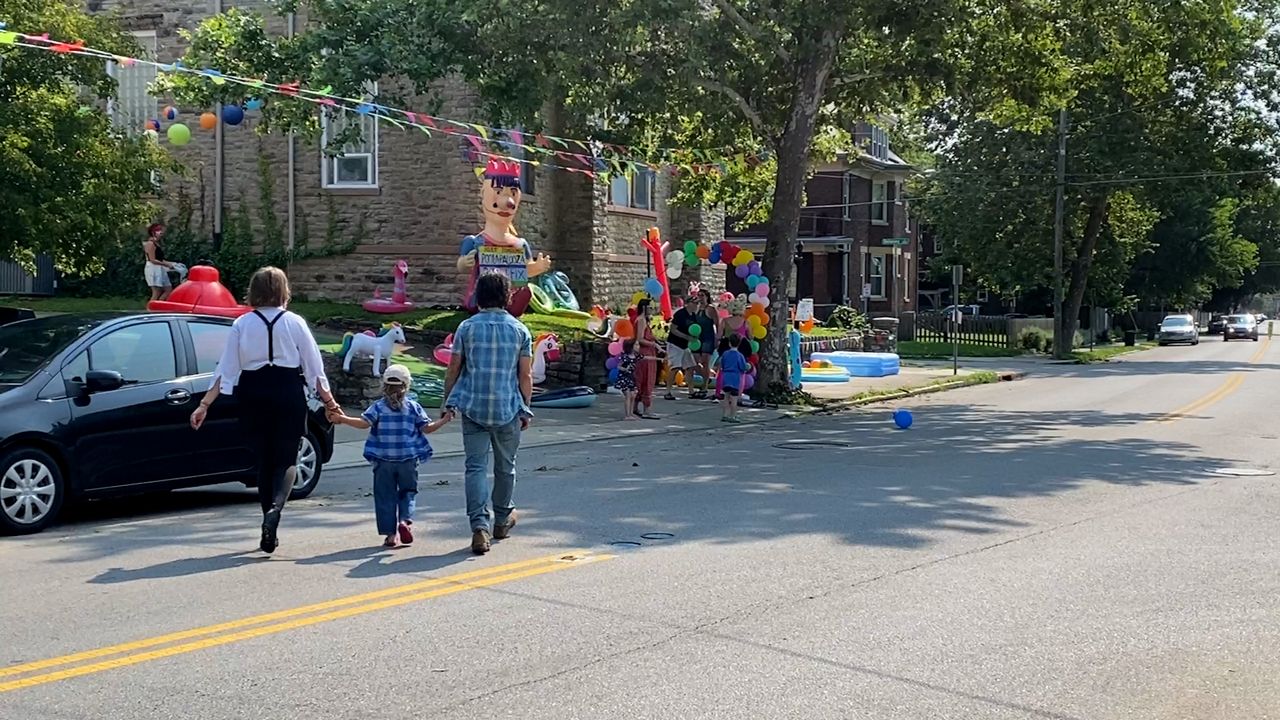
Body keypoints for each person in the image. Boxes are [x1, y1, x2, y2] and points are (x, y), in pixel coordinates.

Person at [190, 266, 340, 554]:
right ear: (283, 291)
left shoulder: (242, 325)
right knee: (286, 459)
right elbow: (314, 369)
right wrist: (330, 403)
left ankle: (265, 519)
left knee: (264, 462)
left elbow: (226, 369)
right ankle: (275, 510)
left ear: (254, 291)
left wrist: (204, 404)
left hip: (252, 393)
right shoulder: (294, 322)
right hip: (286, 391)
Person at [442, 272, 534, 555]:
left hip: (473, 407)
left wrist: (448, 401)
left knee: (475, 467)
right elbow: (525, 375)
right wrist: (526, 407)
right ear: (507, 296)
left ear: (478, 295)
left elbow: (454, 367)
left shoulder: (466, 328)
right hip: (507, 408)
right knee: (506, 466)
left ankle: (479, 526)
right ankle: (503, 518)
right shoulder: (520, 331)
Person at [329, 364, 451, 547]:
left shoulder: (378, 407)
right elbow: (427, 428)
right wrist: (444, 419)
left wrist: (342, 419)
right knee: (408, 492)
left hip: (383, 460)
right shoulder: (413, 407)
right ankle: (404, 521)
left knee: (385, 496)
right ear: (407, 385)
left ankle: (390, 535)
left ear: (384, 386)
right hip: (408, 461)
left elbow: (363, 423)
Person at [663, 294, 699, 400]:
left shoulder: (692, 315)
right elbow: (673, 329)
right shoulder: (680, 314)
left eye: (697, 303)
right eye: (695, 303)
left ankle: (691, 391)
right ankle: (668, 391)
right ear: (689, 304)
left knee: (690, 367)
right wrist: (687, 337)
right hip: (675, 344)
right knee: (675, 368)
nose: (697, 305)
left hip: (685, 345)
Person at [633, 298, 661, 419]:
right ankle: (646, 409)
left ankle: (635, 407)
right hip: (645, 354)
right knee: (646, 380)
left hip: (649, 353)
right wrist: (654, 344)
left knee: (644, 380)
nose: (651, 310)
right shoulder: (641, 320)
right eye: (649, 307)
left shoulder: (644, 320)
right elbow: (640, 338)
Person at [692, 289, 719, 399]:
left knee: (705, 361)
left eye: (702, 295)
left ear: (707, 296)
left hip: (708, 337)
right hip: (697, 338)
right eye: (699, 295)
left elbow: (717, 323)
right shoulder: (697, 308)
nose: (700, 297)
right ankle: (705, 378)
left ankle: (705, 386)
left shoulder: (711, 309)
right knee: (694, 360)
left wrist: (718, 338)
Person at [718, 333, 750, 424]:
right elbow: (743, 367)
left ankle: (725, 414)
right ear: (739, 344)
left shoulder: (725, 354)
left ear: (729, 343)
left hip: (726, 377)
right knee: (734, 398)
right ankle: (733, 415)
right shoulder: (740, 356)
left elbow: (722, 365)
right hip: (735, 378)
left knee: (726, 397)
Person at [142, 223, 175, 301]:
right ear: (153, 232)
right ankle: (150, 309)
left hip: (160, 268)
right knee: (156, 291)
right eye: (159, 231)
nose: (161, 233)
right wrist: (165, 264)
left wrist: (171, 263)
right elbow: (152, 260)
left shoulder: (157, 243)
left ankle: (158, 306)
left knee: (168, 289)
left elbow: (159, 258)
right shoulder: (150, 244)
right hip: (153, 269)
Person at [615, 339, 641, 421]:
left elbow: (647, 357)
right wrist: (625, 369)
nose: (638, 347)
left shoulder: (636, 356)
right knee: (628, 395)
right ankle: (627, 415)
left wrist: (658, 358)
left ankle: (631, 413)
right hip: (624, 378)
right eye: (636, 345)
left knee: (633, 395)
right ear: (630, 347)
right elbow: (618, 366)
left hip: (631, 378)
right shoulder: (625, 357)